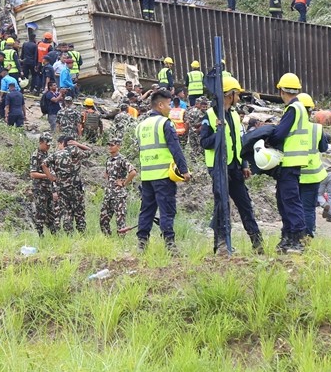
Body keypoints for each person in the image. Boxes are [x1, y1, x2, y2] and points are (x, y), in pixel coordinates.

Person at [201, 76, 265, 253]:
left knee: (245, 204)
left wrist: (244, 164)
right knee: (222, 206)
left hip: (235, 167)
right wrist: (218, 132)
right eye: (237, 94)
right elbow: (204, 142)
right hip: (219, 168)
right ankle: (221, 245)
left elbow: (239, 142)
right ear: (229, 95)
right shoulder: (210, 115)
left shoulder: (236, 116)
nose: (239, 97)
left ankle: (257, 243)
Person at [134, 89, 190, 253]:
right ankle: (170, 245)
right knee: (167, 210)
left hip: (147, 176)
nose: (170, 108)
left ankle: (141, 244)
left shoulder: (141, 126)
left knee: (147, 210)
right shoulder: (165, 124)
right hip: (163, 176)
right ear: (160, 104)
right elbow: (176, 149)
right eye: (168, 104)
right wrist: (184, 171)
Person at [271, 73, 311, 253]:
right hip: (294, 162)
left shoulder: (293, 109)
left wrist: (268, 137)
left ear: (281, 91)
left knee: (290, 201)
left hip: (289, 162)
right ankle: (287, 237)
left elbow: (279, 134)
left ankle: (297, 240)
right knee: (284, 200)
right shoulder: (301, 107)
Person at [296, 94, 329, 239]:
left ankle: (295, 234)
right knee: (308, 208)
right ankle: (308, 236)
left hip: (294, 174)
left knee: (294, 206)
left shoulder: (289, 128)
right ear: (310, 111)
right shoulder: (317, 129)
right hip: (313, 175)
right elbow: (323, 148)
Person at [99, 138, 137, 236]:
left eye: (112, 145)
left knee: (120, 221)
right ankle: (108, 240)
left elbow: (133, 172)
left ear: (118, 146)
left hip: (119, 195)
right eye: (109, 145)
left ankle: (121, 242)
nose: (110, 147)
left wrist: (124, 183)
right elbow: (107, 174)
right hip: (108, 194)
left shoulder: (122, 160)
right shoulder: (108, 160)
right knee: (103, 219)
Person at [28, 133, 59, 236]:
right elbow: (33, 174)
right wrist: (48, 175)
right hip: (40, 189)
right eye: (47, 144)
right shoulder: (35, 155)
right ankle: (39, 235)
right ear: (41, 143)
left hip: (49, 188)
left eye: (50, 145)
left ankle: (54, 236)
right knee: (40, 213)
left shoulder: (47, 155)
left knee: (51, 213)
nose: (48, 147)